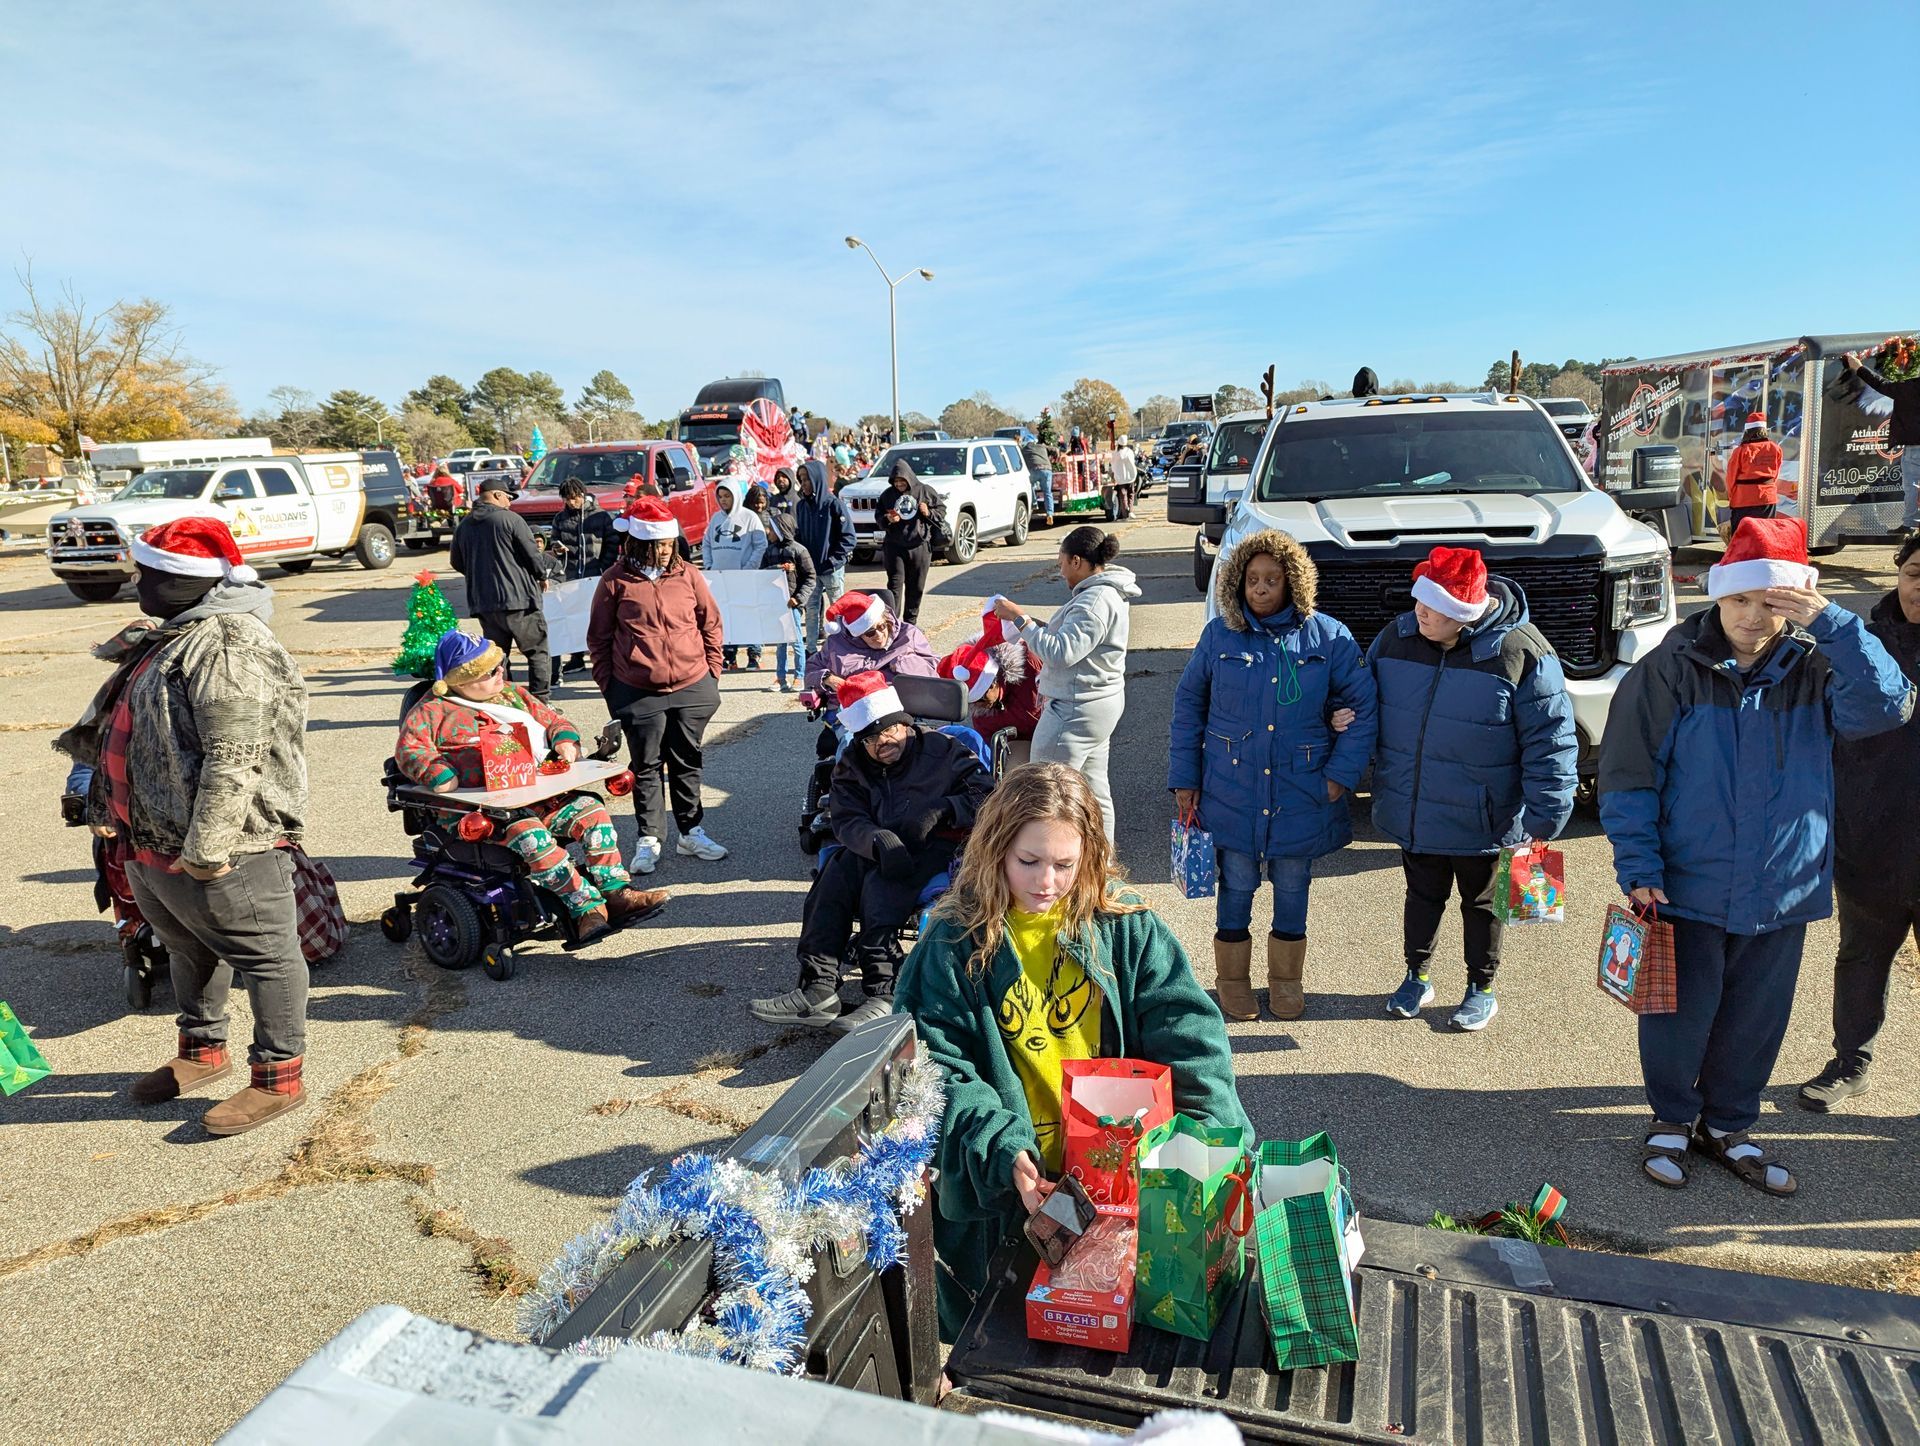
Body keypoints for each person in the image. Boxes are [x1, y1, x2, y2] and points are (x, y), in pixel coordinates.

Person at [1600, 518, 1913, 1193]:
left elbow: (1888, 705)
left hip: (1782, 886)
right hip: (1686, 884)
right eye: (1739, 599)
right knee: (1676, 1016)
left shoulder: (1818, 667)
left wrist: (1835, 624)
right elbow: (1628, 777)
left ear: (1796, 601)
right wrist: (1640, 866)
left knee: (1755, 1019)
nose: (1751, 616)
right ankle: (1670, 1119)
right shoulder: (1668, 670)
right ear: (1717, 595)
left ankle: (1728, 1124)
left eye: (1770, 601)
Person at [892, 762, 1251, 1339]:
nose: (1046, 882)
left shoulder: (1125, 924)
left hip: (1123, 1177)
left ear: (1091, 856)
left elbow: (1189, 1034)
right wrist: (998, 1146)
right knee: (1000, 1337)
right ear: (994, 850)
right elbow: (935, 1063)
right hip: (1014, 1186)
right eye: (1028, 861)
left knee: (1122, 1333)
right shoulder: (953, 940)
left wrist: (1211, 1135)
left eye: (1065, 865)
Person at [84, 518, 312, 1136]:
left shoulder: (231, 644)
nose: (137, 583)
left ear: (188, 580)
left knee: (266, 958)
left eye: (148, 573)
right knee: (188, 947)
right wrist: (107, 814)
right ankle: (203, 1050)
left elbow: (235, 753)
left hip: (225, 848)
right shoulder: (178, 633)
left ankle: (278, 1078)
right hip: (152, 839)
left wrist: (209, 847)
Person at [1169, 530, 1379, 1021]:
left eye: (1272, 579)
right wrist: (1186, 778)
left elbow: (1363, 706)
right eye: (1252, 579)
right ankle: (1232, 980)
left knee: (1292, 883)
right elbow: (1188, 706)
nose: (1260, 588)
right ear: (1237, 583)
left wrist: (1340, 775)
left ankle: (1286, 980)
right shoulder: (1219, 635)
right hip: (1231, 788)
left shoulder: (1328, 636)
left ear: (1293, 583)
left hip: (1301, 789)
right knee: (1236, 883)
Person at [1366, 545, 1577, 1032]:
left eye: (1433, 606)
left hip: (1485, 818)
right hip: (1415, 809)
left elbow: (1551, 739)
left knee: (1482, 905)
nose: (1419, 612)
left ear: (1463, 612)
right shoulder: (1397, 638)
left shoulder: (1521, 651)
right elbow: (1363, 700)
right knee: (1421, 896)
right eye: (1419, 600)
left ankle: (1481, 988)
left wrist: (1546, 816)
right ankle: (1416, 976)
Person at [750, 672, 994, 1033]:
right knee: (832, 876)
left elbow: (987, 796)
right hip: (877, 842)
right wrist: (875, 839)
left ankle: (885, 991)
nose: (884, 742)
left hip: (938, 842)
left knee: (882, 886)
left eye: (890, 730)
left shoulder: (944, 749)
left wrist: (943, 809)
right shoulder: (852, 762)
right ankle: (819, 987)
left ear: (904, 723)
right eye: (871, 738)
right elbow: (845, 816)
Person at [395, 631, 668, 940]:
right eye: (490, 671)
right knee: (530, 834)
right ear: (461, 678)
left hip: (537, 793)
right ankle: (585, 908)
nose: (501, 672)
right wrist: (438, 772)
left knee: (592, 810)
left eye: (500, 665)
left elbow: (555, 721)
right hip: (481, 810)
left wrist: (565, 741)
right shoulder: (430, 712)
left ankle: (616, 892)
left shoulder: (513, 694)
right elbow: (409, 752)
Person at [1800, 533, 1920, 1111]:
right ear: (1897, 573)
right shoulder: (1860, 646)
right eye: (1915, 573)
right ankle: (1851, 1062)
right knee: (1861, 959)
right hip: (1869, 840)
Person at [587, 497, 730, 875]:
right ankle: (649, 838)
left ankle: (691, 832)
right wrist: (611, 689)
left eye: (669, 544)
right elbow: (598, 639)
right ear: (638, 543)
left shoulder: (688, 575)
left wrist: (712, 675)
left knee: (687, 761)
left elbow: (711, 624)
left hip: (692, 685)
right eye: (658, 545)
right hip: (636, 691)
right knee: (647, 766)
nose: (665, 551)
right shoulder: (614, 580)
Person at [991, 527, 1139, 846]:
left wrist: (1020, 619)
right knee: (1095, 791)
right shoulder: (1104, 593)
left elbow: (1061, 653)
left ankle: (1048, 861)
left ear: (1076, 561)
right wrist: (1032, 624)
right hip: (1097, 702)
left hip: (1075, 708)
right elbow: (1069, 641)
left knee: (1043, 791)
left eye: (1061, 563)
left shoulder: (1093, 602)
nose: (1060, 572)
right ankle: (1102, 863)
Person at [450, 476, 556, 702]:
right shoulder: (510, 519)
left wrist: (481, 576)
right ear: (497, 495)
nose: (509, 502)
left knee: (498, 657)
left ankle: (503, 701)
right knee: (537, 652)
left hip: (484, 603)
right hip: (519, 600)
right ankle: (541, 702)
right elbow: (532, 555)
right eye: (508, 497)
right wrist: (541, 575)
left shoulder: (464, 526)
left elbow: (456, 562)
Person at [804, 590, 940, 703]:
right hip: (850, 707)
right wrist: (827, 678)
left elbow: (934, 671)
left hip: (900, 705)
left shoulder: (909, 634)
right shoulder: (836, 644)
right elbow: (810, 670)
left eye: (882, 626)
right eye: (870, 633)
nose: (879, 635)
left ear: (886, 620)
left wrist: (904, 663)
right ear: (858, 635)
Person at [1842, 343, 1920, 534]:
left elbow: (1882, 385)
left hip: (1916, 447)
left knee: (1912, 486)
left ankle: (1911, 523)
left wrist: (1859, 368)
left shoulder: (1912, 388)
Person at [549, 479, 617, 682]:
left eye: (575, 498)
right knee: (572, 617)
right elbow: (553, 540)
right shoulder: (560, 518)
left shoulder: (601, 516)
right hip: (570, 575)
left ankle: (601, 657)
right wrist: (557, 548)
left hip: (595, 573)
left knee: (597, 617)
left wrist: (604, 566)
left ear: (582, 495)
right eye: (567, 499)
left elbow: (612, 543)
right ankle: (576, 658)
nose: (572, 502)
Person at [703, 481, 768, 669]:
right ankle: (729, 655)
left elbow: (761, 544)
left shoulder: (750, 517)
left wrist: (749, 568)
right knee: (726, 615)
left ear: (736, 496)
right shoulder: (716, 519)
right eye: (720, 496)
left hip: (744, 578)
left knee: (749, 613)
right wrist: (709, 566)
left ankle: (754, 654)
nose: (723, 500)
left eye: (727, 496)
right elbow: (706, 543)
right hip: (721, 578)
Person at [757, 493, 817, 693]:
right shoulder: (769, 551)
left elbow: (810, 578)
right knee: (781, 642)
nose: (769, 532)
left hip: (792, 605)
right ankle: (780, 678)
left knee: (796, 641)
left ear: (781, 530)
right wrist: (778, 568)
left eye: (772, 529)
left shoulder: (800, 551)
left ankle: (799, 676)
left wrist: (797, 599)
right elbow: (761, 574)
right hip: (776, 604)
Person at [793, 459, 854, 653]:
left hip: (831, 570)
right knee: (811, 610)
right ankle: (811, 650)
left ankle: (843, 647)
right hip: (811, 571)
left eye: (807, 479)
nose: (804, 483)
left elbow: (849, 537)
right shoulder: (801, 506)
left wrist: (833, 561)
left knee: (838, 610)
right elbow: (799, 537)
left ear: (817, 479)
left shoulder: (833, 504)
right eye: (801, 479)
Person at [878, 459, 945, 625]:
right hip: (895, 547)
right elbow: (878, 516)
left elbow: (941, 511)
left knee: (916, 587)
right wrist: (887, 519)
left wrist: (928, 512)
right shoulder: (887, 495)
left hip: (919, 546)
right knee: (894, 586)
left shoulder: (925, 491)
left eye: (902, 480)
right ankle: (892, 624)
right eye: (896, 481)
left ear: (909, 478)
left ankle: (910, 624)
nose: (899, 484)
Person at [945, 635, 1043, 742]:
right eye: (972, 702)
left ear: (993, 682)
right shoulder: (980, 714)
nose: (979, 705)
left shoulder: (1030, 664)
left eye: (980, 699)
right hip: (1020, 744)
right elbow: (988, 741)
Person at [1722, 411, 1783, 527]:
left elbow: (1731, 477)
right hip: (1767, 498)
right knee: (1765, 532)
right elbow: (1775, 474)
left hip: (1743, 499)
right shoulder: (1776, 449)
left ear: (1747, 431)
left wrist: (1731, 496)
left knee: (1742, 533)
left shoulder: (1740, 451)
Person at [1021, 437, 1055, 524]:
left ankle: (1034, 503)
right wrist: (1055, 459)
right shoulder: (1042, 446)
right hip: (1046, 470)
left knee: (1030, 485)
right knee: (1047, 492)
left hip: (1033, 470)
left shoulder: (1024, 450)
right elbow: (1055, 450)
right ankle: (1050, 514)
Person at [1109, 436, 1138, 518]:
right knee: (1131, 494)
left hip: (1120, 478)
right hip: (1130, 477)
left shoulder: (1116, 453)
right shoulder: (1129, 452)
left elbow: (1112, 464)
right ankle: (1130, 511)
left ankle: (1125, 513)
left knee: (1123, 496)